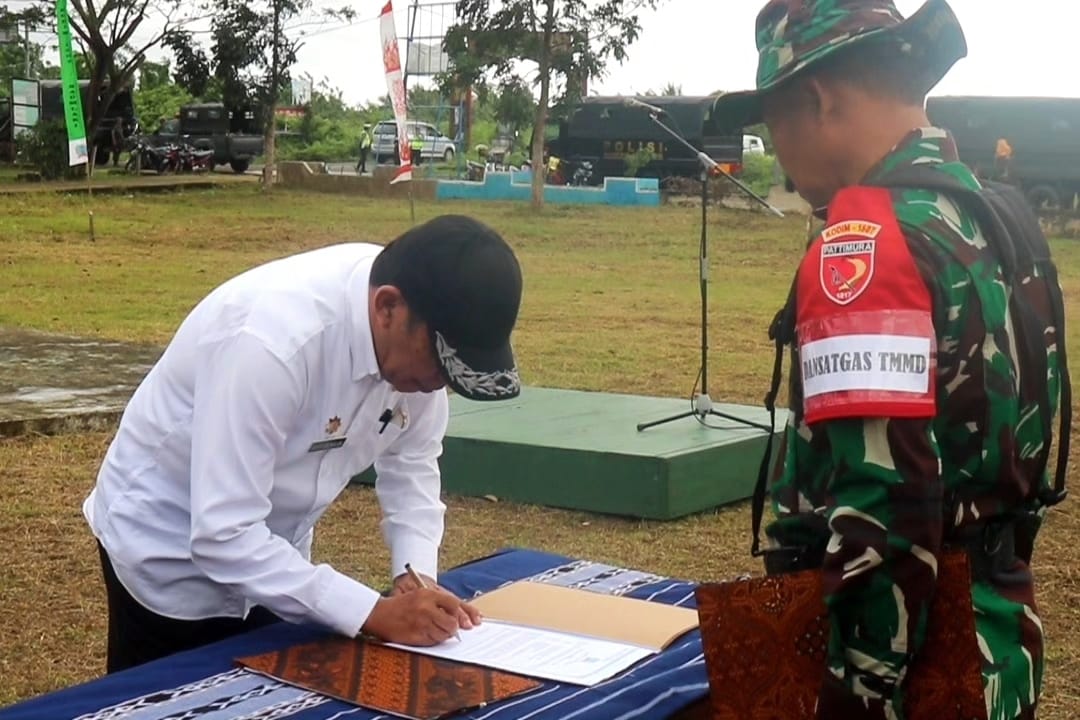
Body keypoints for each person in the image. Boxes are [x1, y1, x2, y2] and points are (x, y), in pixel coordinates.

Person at [711, 2, 1068, 719]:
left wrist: (853, 697)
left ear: (817, 99)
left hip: (917, 669)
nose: (775, 151)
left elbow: (885, 513)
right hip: (998, 636)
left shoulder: (865, 245)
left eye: (773, 123)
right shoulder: (991, 215)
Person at [84, 214, 524, 674]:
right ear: (387, 307)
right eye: (439, 363)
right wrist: (371, 613)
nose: (439, 386)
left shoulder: (419, 353)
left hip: (276, 553)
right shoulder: (272, 344)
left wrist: (416, 577)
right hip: (167, 548)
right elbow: (223, 532)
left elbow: (412, 470)